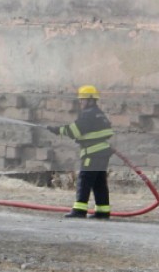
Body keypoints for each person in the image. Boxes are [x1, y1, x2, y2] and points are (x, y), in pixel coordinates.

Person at [48, 85, 115, 219]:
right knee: (99, 182)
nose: (81, 102)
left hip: (93, 153)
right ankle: (102, 211)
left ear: (91, 100)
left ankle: (79, 210)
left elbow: (74, 130)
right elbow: (107, 131)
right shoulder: (98, 113)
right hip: (102, 153)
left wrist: (57, 130)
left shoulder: (88, 114)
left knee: (85, 180)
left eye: (83, 100)